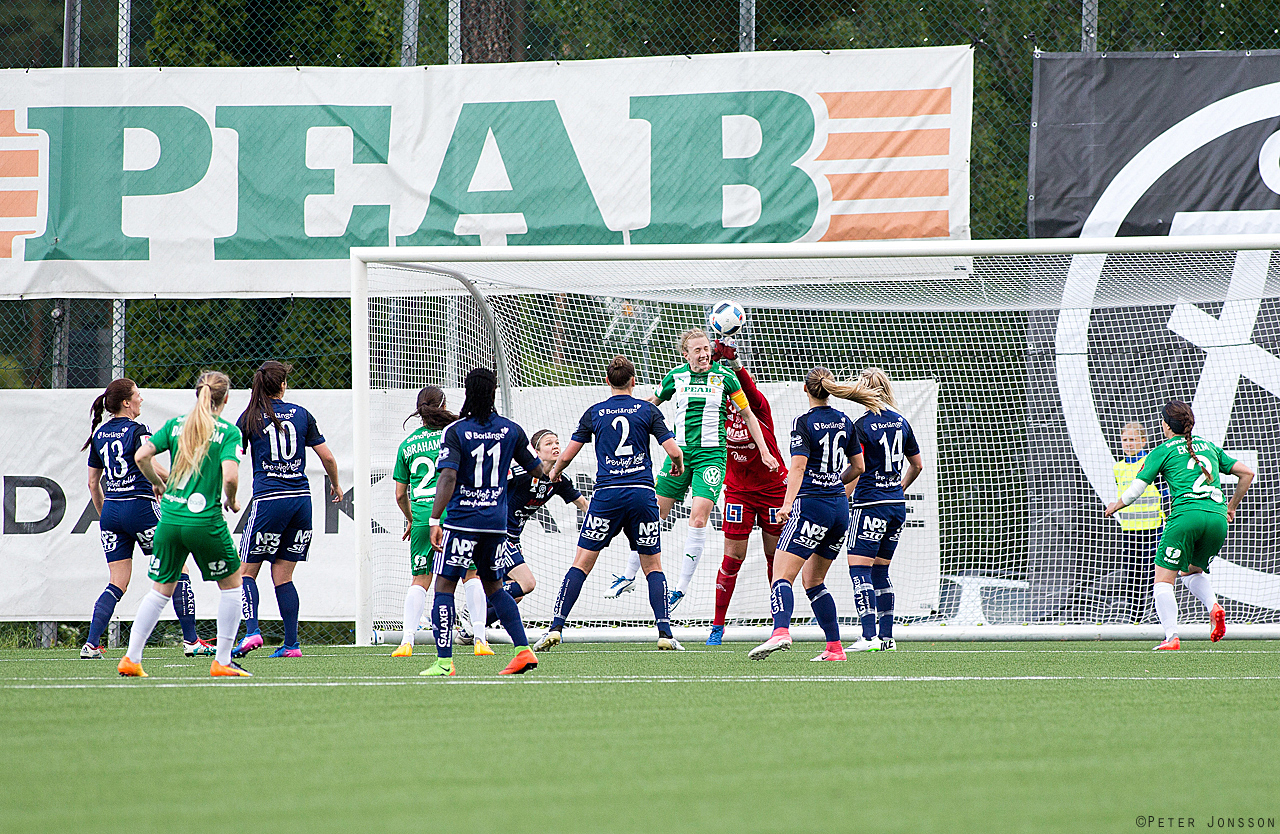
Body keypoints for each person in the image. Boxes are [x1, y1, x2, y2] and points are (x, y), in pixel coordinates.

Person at [605, 329, 778, 613]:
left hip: (711, 457)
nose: (704, 354)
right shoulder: (676, 376)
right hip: (679, 454)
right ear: (686, 354)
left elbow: (748, 415)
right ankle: (628, 575)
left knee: (698, 519)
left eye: (706, 348)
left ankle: (680, 589)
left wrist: (765, 451)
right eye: (697, 350)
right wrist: (622, 409)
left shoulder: (725, 377)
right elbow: (652, 402)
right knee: (652, 514)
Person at [533, 355, 686, 651]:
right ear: (633, 381)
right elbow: (674, 450)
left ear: (607, 381)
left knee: (581, 563)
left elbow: (567, 454)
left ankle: (556, 628)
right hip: (641, 495)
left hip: (607, 496)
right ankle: (665, 633)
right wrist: (677, 465)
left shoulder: (595, 412)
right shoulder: (647, 410)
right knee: (652, 565)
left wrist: (555, 471)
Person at [119, 371, 250, 678]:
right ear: (225, 398)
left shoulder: (176, 424)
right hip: (204, 522)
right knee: (233, 585)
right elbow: (231, 476)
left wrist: (156, 483)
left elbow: (141, 456)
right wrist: (232, 500)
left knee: (160, 591)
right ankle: (222, 661)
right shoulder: (227, 432)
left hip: (170, 519)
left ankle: (131, 658)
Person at [748, 368, 884, 662]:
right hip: (839, 509)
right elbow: (859, 467)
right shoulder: (845, 421)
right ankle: (834, 647)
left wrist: (786, 505)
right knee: (813, 581)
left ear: (806, 389)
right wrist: (834, 482)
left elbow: (798, 468)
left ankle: (780, 631)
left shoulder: (803, 422)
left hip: (811, 506)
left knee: (781, 576)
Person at [421, 368, 550, 677]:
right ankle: (523, 651)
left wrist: (435, 518)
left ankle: (444, 662)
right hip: (495, 524)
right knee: (494, 586)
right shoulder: (511, 430)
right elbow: (537, 469)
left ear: (468, 392)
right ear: (493, 393)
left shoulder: (456, 430)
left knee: (444, 585)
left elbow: (448, 476)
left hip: (463, 522)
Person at [81, 379, 217, 659]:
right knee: (179, 568)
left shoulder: (99, 434)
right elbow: (150, 463)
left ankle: (91, 645)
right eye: (137, 395)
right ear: (126, 403)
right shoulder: (137, 430)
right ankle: (191, 641)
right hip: (140, 509)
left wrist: (106, 515)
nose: (141, 399)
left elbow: (93, 484)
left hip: (112, 512)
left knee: (117, 582)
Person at [1104, 400, 1254, 650]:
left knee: (1163, 581)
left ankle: (1171, 636)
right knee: (1191, 572)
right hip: (1217, 519)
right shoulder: (1209, 446)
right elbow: (1247, 473)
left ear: (1166, 425)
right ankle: (1213, 606)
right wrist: (1231, 507)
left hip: (1186, 517)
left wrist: (1115, 505)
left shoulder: (1163, 450)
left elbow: (1136, 489)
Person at [232, 361, 341, 659]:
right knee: (283, 575)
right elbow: (328, 458)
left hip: (269, 500)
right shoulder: (302, 414)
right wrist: (336, 485)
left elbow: (232, 457)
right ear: (282, 385)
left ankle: (252, 631)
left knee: (245, 572)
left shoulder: (250, 417)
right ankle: (291, 644)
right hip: (301, 502)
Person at [703, 338, 787, 646]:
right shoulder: (717, 410)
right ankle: (717, 626)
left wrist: (735, 363)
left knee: (774, 558)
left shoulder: (758, 407)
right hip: (739, 491)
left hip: (772, 490)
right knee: (732, 559)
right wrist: (709, 360)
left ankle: (779, 626)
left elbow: (748, 389)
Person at [843, 368, 923, 653]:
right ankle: (887, 637)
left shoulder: (861, 426)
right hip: (895, 507)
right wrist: (898, 489)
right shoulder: (901, 422)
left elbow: (857, 468)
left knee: (859, 570)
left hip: (870, 504)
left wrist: (839, 499)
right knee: (881, 571)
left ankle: (868, 637)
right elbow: (917, 464)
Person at [389, 387, 472, 658]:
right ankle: (481, 640)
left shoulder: (408, 445)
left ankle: (407, 641)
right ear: (443, 406)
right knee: (470, 575)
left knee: (420, 579)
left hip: (424, 518)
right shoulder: (456, 435)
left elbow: (400, 494)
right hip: (456, 515)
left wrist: (412, 519)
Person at [485, 429, 590, 627]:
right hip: (498, 535)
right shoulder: (521, 473)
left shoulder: (559, 479)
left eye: (557, 442)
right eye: (549, 443)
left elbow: (584, 505)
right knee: (527, 583)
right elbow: (490, 486)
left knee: (516, 595)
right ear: (536, 452)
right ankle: (475, 605)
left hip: (514, 538)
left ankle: (470, 629)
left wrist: (607, 519)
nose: (555, 446)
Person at [1111, 421, 1164, 623]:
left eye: (1132, 439)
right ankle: (1135, 617)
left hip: (1153, 529)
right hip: (1130, 531)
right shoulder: (1118, 467)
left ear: (1143, 441)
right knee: (1132, 575)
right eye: (1125, 440)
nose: (1128, 444)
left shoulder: (1150, 463)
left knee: (1155, 574)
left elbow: (1164, 492)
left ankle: (1160, 615)